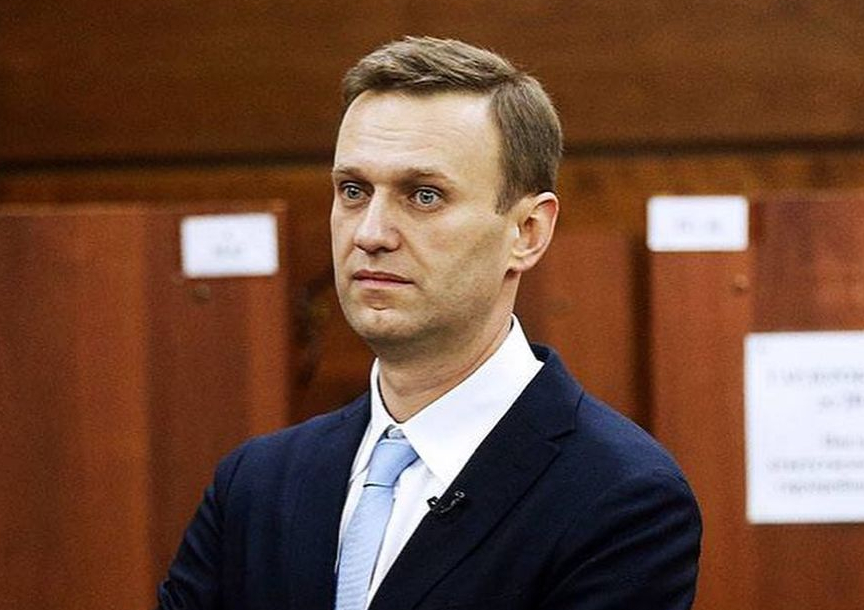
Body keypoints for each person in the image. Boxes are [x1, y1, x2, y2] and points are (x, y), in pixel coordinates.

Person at [157, 36, 701, 610]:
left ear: (527, 232)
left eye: (423, 196)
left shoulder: (621, 498)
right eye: (353, 191)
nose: (370, 233)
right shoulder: (255, 484)